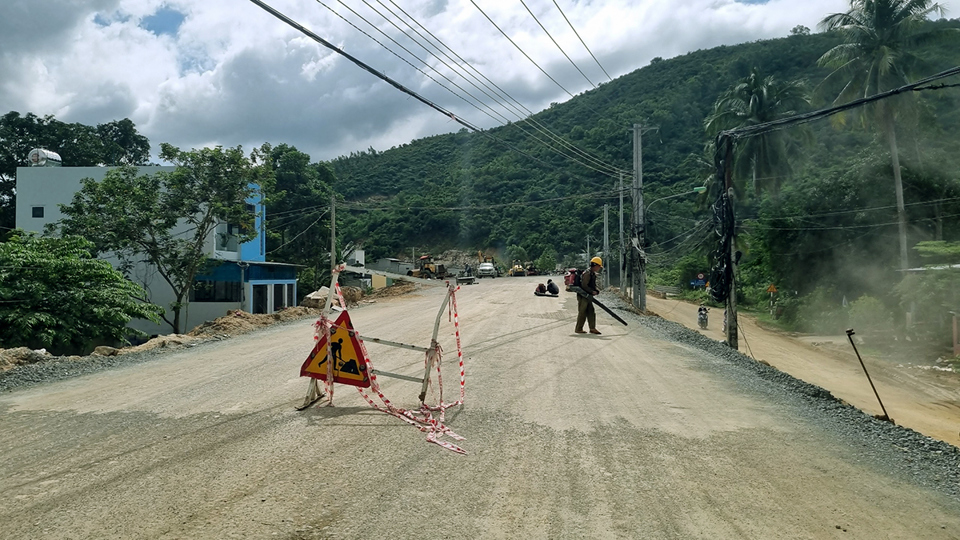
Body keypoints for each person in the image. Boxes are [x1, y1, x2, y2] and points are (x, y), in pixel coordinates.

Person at [575, 257, 603, 335]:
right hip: (583, 295)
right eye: (599, 266)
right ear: (595, 265)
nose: (599, 268)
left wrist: (596, 290)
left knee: (591, 312)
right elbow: (584, 285)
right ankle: (578, 328)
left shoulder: (592, 273)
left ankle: (592, 328)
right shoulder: (587, 273)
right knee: (582, 312)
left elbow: (592, 285)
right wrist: (592, 291)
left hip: (588, 295)